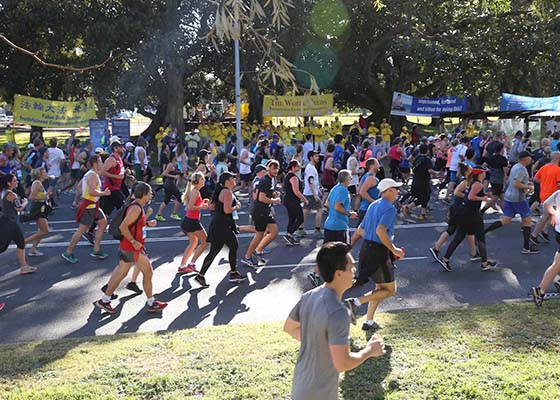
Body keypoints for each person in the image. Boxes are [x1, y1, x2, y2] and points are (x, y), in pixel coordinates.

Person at [284, 242, 386, 400]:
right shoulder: (339, 312)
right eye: (351, 267)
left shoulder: (309, 296)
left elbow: (289, 327)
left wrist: (320, 344)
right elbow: (343, 364)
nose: (354, 271)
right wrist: (370, 351)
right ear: (338, 273)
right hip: (319, 394)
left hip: (300, 388)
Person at [95, 182, 168, 314]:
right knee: (148, 272)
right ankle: (151, 302)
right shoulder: (136, 208)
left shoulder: (136, 206)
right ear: (144, 195)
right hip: (132, 247)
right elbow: (123, 227)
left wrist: (146, 223)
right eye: (150, 193)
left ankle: (104, 300)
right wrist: (134, 241)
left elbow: (133, 224)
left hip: (128, 246)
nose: (151, 195)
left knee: (121, 273)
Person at [347, 179, 406, 331]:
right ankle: (356, 302)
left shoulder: (373, 205)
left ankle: (369, 321)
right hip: (379, 252)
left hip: (366, 248)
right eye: (396, 189)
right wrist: (394, 250)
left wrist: (349, 248)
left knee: (380, 287)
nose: (398, 192)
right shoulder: (390, 209)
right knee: (390, 290)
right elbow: (381, 230)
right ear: (389, 191)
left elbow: (360, 230)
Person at [436, 166, 497, 271]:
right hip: (472, 214)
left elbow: (470, 194)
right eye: (484, 172)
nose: (485, 174)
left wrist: (485, 194)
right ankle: (484, 263)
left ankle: (445, 259)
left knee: (459, 237)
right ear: (480, 174)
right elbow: (471, 197)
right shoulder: (478, 184)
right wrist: (483, 198)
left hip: (466, 213)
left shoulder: (472, 182)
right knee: (480, 237)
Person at [194, 172, 246, 288]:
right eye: (233, 178)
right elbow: (227, 210)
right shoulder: (226, 192)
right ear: (227, 180)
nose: (235, 179)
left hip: (218, 223)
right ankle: (233, 273)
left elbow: (212, 206)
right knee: (233, 245)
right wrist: (237, 206)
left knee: (215, 251)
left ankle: (201, 275)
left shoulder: (221, 190)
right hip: (222, 225)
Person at [484, 151, 540, 254]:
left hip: (509, 197)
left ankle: (483, 232)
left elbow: (512, 181)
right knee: (527, 221)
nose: (531, 159)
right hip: (518, 198)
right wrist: (529, 187)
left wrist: (526, 184)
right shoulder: (521, 169)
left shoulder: (515, 166)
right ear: (525, 158)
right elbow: (516, 184)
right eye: (529, 158)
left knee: (505, 220)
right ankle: (526, 247)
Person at [62, 155, 111, 263]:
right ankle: (68, 252)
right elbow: (91, 192)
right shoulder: (92, 175)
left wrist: (83, 198)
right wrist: (104, 193)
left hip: (92, 205)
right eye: (100, 162)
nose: (102, 164)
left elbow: (79, 187)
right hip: (89, 206)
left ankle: (96, 250)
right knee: (81, 230)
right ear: (95, 163)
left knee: (103, 223)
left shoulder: (89, 174)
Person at [242, 160, 281, 267]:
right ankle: (253, 253)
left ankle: (251, 254)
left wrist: (274, 194)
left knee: (260, 235)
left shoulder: (269, 179)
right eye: (274, 168)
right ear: (268, 169)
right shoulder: (265, 181)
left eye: (277, 168)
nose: (276, 171)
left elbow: (266, 193)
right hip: (261, 211)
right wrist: (275, 200)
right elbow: (261, 198)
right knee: (273, 232)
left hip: (262, 211)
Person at [0, 174, 36, 275]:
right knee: (2, 247)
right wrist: (25, 202)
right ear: (9, 183)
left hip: (8, 223)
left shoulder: (3, 192)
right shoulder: (11, 194)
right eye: (15, 180)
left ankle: (24, 267)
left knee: (20, 243)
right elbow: (19, 208)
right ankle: (24, 267)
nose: (17, 182)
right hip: (8, 223)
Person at [531, 188, 560, 307]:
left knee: (556, 264)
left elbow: (546, 204)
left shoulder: (559, 192)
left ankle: (540, 290)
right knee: (556, 264)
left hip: (558, 231)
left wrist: (553, 214)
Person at [178, 172, 209, 274]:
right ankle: (191, 264)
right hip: (192, 221)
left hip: (189, 220)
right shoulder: (195, 192)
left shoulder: (195, 191)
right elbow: (190, 207)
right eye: (202, 179)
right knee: (205, 242)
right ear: (196, 181)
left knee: (193, 242)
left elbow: (193, 205)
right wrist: (201, 206)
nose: (204, 181)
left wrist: (202, 202)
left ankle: (183, 266)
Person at [530, 151, 560, 244]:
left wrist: (544, 183)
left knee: (551, 214)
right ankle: (534, 235)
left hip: (544, 194)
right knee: (546, 215)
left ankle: (544, 231)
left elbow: (535, 178)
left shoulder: (544, 167)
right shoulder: (558, 170)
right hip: (552, 195)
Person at [22, 167, 51, 256]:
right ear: (39, 174)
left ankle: (33, 250)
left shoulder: (40, 183)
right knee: (45, 231)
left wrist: (46, 196)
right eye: (44, 172)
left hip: (41, 208)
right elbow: (31, 197)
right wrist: (44, 197)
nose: (46, 173)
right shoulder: (37, 184)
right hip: (38, 209)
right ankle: (24, 243)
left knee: (41, 230)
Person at [324, 170, 357, 243]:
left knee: (328, 252)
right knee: (342, 252)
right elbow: (337, 206)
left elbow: (327, 204)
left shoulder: (334, 188)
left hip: (329, 225)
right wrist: (349, 214)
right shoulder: (344, 190)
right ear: (347, 179)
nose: (351, 179)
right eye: (350, 178)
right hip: (339, 227)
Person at [402, 144, 435, 220]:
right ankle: (407, 207)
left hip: (416, 179)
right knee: (424, 197)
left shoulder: (417, 158)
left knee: (424, 197)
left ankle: (422, 214)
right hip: (423, 181)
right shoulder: (427, 160)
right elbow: (429, 170)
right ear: (427, 151)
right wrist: (435, 173)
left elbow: (412, 164)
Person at [283, 160, 308, 246]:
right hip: (293, 201)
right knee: (300, 219)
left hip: (288, 200)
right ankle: (289, 233)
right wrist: (304, 199)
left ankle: (289, 237)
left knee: (292, 219)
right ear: (293, 167)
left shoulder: (288, 176)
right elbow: (296, 191)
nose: (299, 167)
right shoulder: (293, 177)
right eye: (297, 166)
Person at [480, 141, 508, 214]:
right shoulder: (503, 159)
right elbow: (505, 171)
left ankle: (506, 213)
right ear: (501, 149)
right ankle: (482, 210)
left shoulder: (491, 157)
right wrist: (506, 179)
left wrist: (489, 170)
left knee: (502, 197)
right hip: (499, 180)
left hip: (492, 178)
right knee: (495, 198)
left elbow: (484, 164)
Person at [155, 152, 183, 221]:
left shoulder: (175, 164)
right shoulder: (170, 165)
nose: (177, 157)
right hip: (169, 184)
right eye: (176, 156)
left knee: (166, 200)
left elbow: (179, 173)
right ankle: (174, 214)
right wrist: (174, 176)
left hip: (169, 184)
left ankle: (158, 215)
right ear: (173, 157)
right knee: (179, 197)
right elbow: (164, 173)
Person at [301, 151, 323, 238]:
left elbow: (313, 181)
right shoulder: (310, 168)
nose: (318, 157)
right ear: (311, 157)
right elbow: (310, 181)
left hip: (308, 192)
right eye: (316, 156)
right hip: (311, 193)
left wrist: (318, 189)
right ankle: (317, 230)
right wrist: (315, 194)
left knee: (305, 211)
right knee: (320, 210)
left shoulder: (311, 167)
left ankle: (300, 229)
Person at [357, 158, 381, 224]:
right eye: (377, 164)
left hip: (364, 209)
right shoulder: (371, 178)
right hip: (369, 210)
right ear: (371, 166)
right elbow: (362, 192)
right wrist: (374, 202)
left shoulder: (365, 176)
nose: (379, 165)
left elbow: (359, 191)